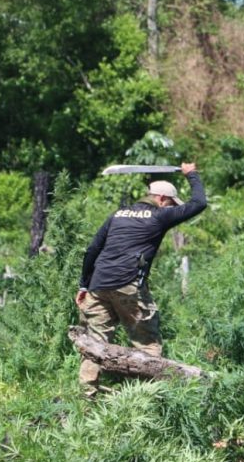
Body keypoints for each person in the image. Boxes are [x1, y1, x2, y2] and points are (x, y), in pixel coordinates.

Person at [75, 164, 206, 395]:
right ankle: (146, 397)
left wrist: (84, 284)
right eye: (171, 203)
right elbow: (199, 203)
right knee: (147, 344)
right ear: (162, 198)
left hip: (97, 285)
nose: (172, 208)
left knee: (95, 343)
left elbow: (93, 249)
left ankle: (86, 397)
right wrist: (191, 174)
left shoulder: (117, 215)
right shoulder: (159, 215)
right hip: (128, 285)